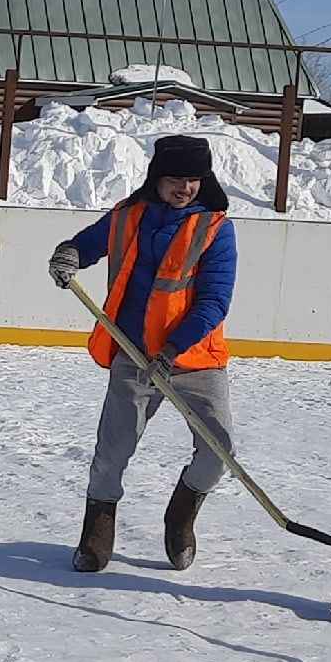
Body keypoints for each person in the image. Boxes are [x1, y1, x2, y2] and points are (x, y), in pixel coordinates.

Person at [47, 134, 237, 573]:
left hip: (194, 359)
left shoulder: (214, 228)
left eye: (193, 180)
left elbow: (214, 301)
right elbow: (86, 244)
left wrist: (172, 349)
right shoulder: (127, 217)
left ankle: (181, 514)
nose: (185, 188)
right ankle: (97, 530)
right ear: (156, 178)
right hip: (133, 354)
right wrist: (67, 255)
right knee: (113, 451)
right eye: (176, 179)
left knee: (218, 450)